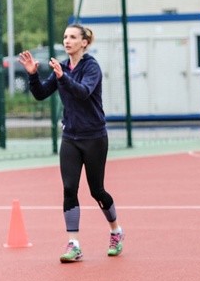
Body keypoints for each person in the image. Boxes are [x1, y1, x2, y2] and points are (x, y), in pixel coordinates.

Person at [18, 24, 125, 263]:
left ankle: (116, 231)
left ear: (84, 42)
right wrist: (33, 74)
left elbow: (83, 92)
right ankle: (74, 244)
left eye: (73, 37)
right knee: (69, 189)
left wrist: (62, 77)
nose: (67, 41)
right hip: (70, 138)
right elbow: (41, 93)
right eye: (65, 36)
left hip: (95, 137)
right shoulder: (62, 67)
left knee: (97, 190)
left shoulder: (91, 67)